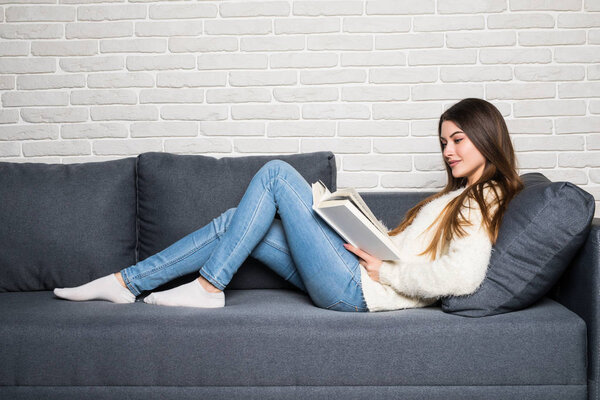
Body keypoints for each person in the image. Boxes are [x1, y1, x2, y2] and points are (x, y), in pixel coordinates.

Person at [54, 98, 523, 312]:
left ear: (485, 136)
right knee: (236, 221)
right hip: (354, 273)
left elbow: (462, 276)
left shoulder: (484, 198)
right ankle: (124, 282)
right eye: (444, 141)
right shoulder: (455, 195)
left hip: (359, 290)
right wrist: (364, 226)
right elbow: (413, 247)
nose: (448, 151)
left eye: (457, 139)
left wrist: (387, 273)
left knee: (277, 174)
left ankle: (208, 287)